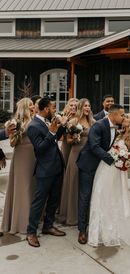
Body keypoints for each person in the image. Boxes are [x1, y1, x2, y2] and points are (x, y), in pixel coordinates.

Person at [88, 112, 130, 246]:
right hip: (105, 168)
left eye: (127, 117)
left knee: (113, 196)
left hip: (116, 172)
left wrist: (124, 161)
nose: (124, 118)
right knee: (101, 194)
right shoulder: (119, 132)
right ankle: (99, 226)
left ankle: (112, 228)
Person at [76, 103, 125, 245]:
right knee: (85, 196)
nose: (123, 117)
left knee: (99, 195)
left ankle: (98, 224)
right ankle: (82, 230)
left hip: (101, 166)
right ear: (114, 114)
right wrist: (112, 160)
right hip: (88, 165)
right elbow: (94, 146)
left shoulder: (115, 127)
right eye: (122, 115)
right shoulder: (98, 126)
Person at [26, 97, 69, 248]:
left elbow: (55, 138)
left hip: (57, 166)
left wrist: (62, 126)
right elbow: (40, 148)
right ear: (45, 109)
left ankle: (48, 226)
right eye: (52, 107)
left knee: (54, 199)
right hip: (45, 169)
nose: (54, 110)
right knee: (39, 201)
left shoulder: (48, 121)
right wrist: (51, 132)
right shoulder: (33, 126)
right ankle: (31, 232)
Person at [1, 98, 36, 235]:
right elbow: (12, 143)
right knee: (23, 187)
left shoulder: (35, 120)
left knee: (32, 186)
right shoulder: (15, 122)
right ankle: (21, 222)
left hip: (34, 155)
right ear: (25, 108)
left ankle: (33, 219)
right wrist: (16, 133)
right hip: (22, 156)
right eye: (31, 105)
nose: (34, 107)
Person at [59, 98, 94, 226]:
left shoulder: (93, 122)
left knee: (86, 186)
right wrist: (74, 138)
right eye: (85, 106)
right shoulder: (73, 121)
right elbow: (67, 141)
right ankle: (72, 215)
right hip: (76, 153)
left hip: (89, 156)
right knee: (74, 182)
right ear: (80, 107)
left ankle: (84, 214)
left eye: (89, 106)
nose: (87, 108)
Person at [60, 98, 79, 166]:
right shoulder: (63, 117)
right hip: (66, 145)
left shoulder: (80, 118)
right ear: (67, 106)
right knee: (65, 163)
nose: (73, 107)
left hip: (77, 145)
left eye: (76, 106)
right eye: (71, 105)